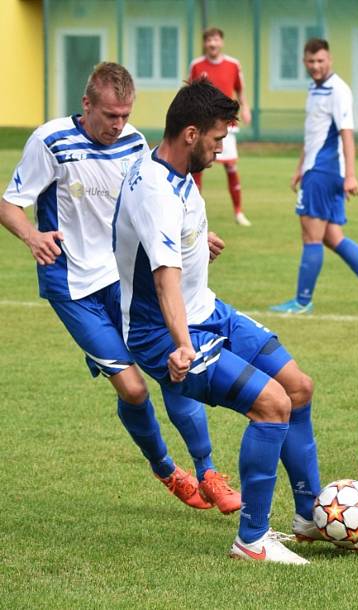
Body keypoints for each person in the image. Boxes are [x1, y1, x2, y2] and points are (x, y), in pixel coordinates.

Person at [113, 78, 358, 564]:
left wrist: (195, 245)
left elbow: (158, 248)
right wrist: (182, 345)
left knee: (298, 387)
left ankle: (309, 519)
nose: (222, 147)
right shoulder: (155, 190)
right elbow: (164, 279)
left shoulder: (169, 167)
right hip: (164, 333)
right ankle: (251, 540)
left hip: (210, 309)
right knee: (271, 405)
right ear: (190, 134)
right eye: (217, 138)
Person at [0, 62, 239, 514]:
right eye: (110, 115)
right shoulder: (51, 142)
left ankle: (208, 472)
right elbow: (9, 203)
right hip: (73, 287)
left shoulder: (133, 143)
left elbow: (153, 197)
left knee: (177, 364)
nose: (119, 125)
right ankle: (167, 469)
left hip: (124, 279)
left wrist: (192, 236)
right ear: (86, 104)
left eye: (125, 115)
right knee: (132, 390)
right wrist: (32, 237)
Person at [270, 38, 358, 316]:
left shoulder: (338, 90)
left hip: (325, 172)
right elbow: (313, 134)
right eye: (311, 61)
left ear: (330, 60)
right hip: (315, 169)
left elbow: (346, 134)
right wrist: (299, 168)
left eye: (320, 61)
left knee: (310, 236)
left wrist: (351, 175)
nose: (316, 66)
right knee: (331, 236)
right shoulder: (315, 88)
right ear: (304, 61)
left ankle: (302, 301)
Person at [189, 27, 252, 227]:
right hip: (204, 125)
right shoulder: (197, 65)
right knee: (197, 166)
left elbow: (240, 91)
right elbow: (190, 93)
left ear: (221, 42)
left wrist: (246, 108)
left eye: (215, 40)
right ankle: (193, 211)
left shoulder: (233, 65)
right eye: (208, 40)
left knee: (231, 166)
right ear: (204, 43)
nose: (212, 44)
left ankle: (239, 212)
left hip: (227, 124)